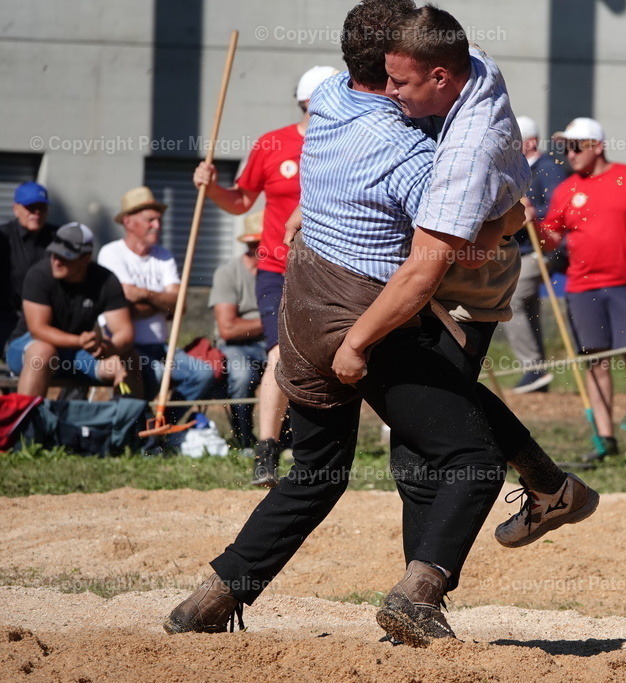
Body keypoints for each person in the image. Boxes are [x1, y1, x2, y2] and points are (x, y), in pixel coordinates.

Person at [165, 0, 597, 647]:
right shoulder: (415, 155)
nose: (398, 92)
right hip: (371, 315)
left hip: (302, 307)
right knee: (466, 457)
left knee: (319, 470)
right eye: (393, 80)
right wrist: (512, 217)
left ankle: (212, 596)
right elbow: (434, 260)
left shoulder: (332, 101)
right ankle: (418, 596)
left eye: (408, 80)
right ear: (387, 69)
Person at [193, 64, 337, 486]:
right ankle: (267, 451)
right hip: (277, 267)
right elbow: (241, 202)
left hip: (334, 270)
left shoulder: (351, 142)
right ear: (310, 101)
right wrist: (212, 187)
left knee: (342, 358)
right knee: (279, 354)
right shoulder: (272, 144)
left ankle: (326, 445)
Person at [538, 116, 626, 462]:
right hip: (583, 286)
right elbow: (551, 239)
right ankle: (605, 439)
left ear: (597, 146)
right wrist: (532, 225)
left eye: (576, 146)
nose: (569, 154)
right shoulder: (565, 190)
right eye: (565, 148)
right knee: (595, 362)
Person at [97, 187, 214, 410]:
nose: (157, 226)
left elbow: (179, 305)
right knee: (157, 374)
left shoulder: (164, 255)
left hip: (160, 347)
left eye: (159, 220)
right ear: (129, 221)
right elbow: (124, 305)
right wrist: (162, 302)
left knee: (203, 373)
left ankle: (166, 425)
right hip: (125, 348)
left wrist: (142, 294)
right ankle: (138, 429)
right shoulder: (111, 254)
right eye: (150, 220)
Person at [5, 222, 139, 397]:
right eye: (54, 253)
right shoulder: (39, 275)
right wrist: (79, 341)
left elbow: (124, 332)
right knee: (43, 352)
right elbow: (38, 330)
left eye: (65, 256)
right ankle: (25, 421)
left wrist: (108, 348)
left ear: (86, 258)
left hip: (78, 354)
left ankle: (132, 421)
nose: (56, 261)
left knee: (128, 359)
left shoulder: (106, 280)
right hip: (28, 348)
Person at [502, 115, 567, 393]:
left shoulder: (548, 169)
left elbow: (557, 209)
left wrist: (531, 211)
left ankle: (532, 367)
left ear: (528, 142)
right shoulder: (518, 168)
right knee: (528, 307)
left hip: (541, 249)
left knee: (512, 301)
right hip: (522, 250)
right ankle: (538, 374)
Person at [208, 211, 266, 449]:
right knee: (242, 375)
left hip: (272, 343)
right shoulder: (228, 273)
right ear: (253, 245)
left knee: (294, 372)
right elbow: (228, 328)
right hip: (235, 346)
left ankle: (286, 438)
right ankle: (244, 438)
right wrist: (271, 322)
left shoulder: (284, 273)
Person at [0, 182, 59, 347]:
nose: (37, 213)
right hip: (7, 317)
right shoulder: (3, 238)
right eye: (30, 208)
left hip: (45, 317)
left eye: (42, 208)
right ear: (15, 209)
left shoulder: (58, 238)